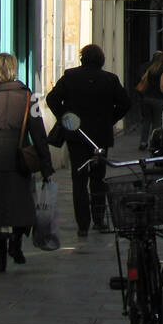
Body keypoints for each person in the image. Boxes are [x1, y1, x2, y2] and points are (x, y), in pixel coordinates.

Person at [0, 53, 53, 272]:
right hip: (18, 157)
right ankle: (16, 244)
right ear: (14, 70)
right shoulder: (28, 97)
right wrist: (46, 164)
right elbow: (39, 133)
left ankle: (0, 257)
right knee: (21, 203)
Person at [46, 43, 130, 237]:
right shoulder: (110, 79)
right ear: (101, 60)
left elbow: (52, 99)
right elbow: (126, 103)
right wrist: (111, 119)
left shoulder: (70, 77)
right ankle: (99, 220)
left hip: (77, 136)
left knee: (79, 180)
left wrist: (66, 119)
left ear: (82, 59)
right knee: (98, 179)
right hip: (100, 137)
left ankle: (82, 224)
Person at [135, 50, 163, 147]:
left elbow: (144, 80)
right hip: (157, 99)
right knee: (157, 123)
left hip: (147, 98)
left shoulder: (150, 69)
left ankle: (143, 142)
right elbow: (162, 86)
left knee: (146, 121)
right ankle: (154, 142)